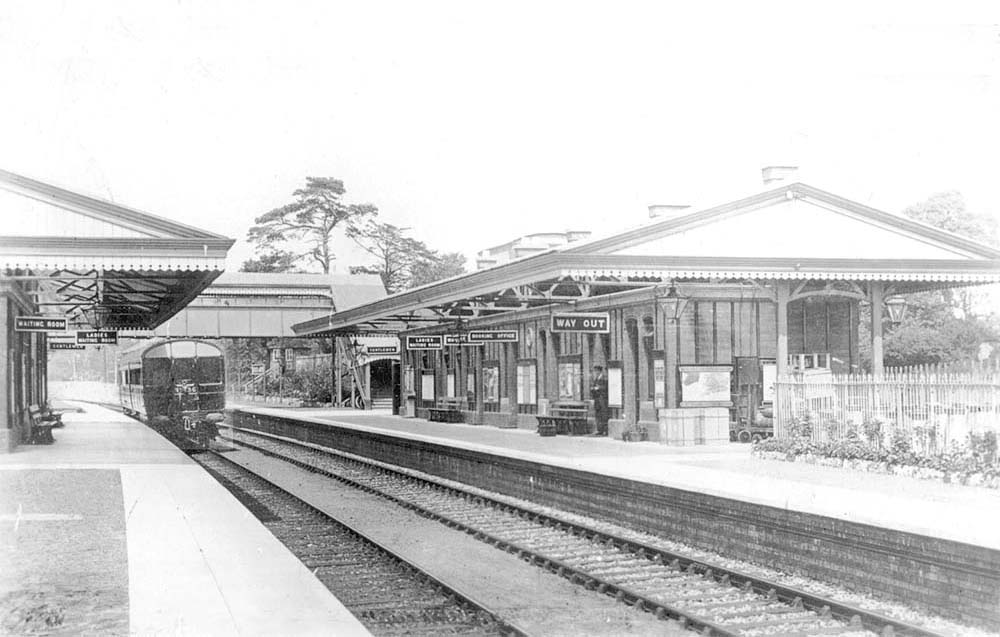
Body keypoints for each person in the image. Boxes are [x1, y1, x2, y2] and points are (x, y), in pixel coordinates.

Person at [590, 365, 609, 435]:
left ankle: (604, 430)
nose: (595, 372)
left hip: (602, 399)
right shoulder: (596, 378)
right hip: (597, 399)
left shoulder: (604, 378)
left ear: (599, 371)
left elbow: (605, 388)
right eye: (595, 371)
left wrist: (599, 388)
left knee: (603, 414)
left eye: (596, 371)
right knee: (597, 414)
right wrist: (593, 389)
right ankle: (599, 429)